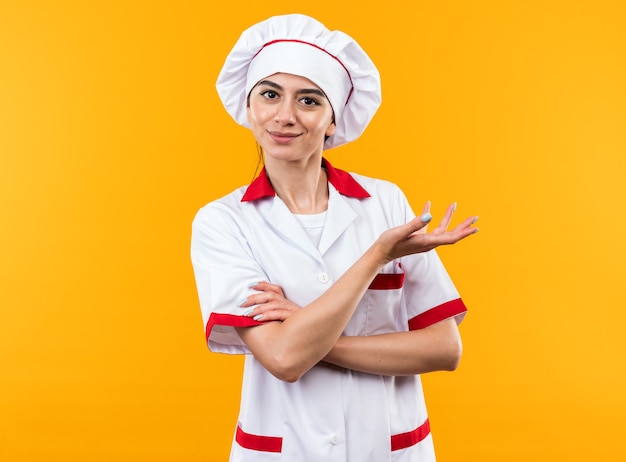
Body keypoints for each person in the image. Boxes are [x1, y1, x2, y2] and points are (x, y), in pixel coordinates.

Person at [191, 13, 479, 461]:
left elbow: (444, 348)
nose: (284, 116)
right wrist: (376, 257)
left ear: (332, 121)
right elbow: (284, 361)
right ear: (249, 108)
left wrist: (305, 329)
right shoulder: (222, 222)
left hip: (389, 448)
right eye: (270, 95)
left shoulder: (385, 201)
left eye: (308, 101)